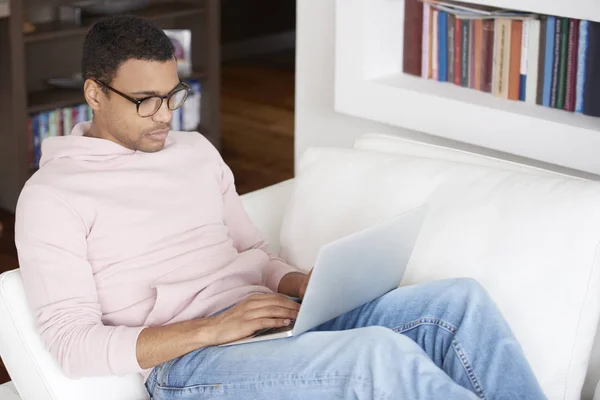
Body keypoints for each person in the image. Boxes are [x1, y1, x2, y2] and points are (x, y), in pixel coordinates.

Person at [14, 15, 547, 400]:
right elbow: (72, 344)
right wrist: (213, 329)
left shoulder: (195, 152)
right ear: (94, 93)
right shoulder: (52, 197)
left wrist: (297, 283)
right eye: (145, 101)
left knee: (459, 303)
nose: (164, 116)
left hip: (275, 318)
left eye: (173, 95)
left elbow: (253, 252)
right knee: (378, 358)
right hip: (193, 363)